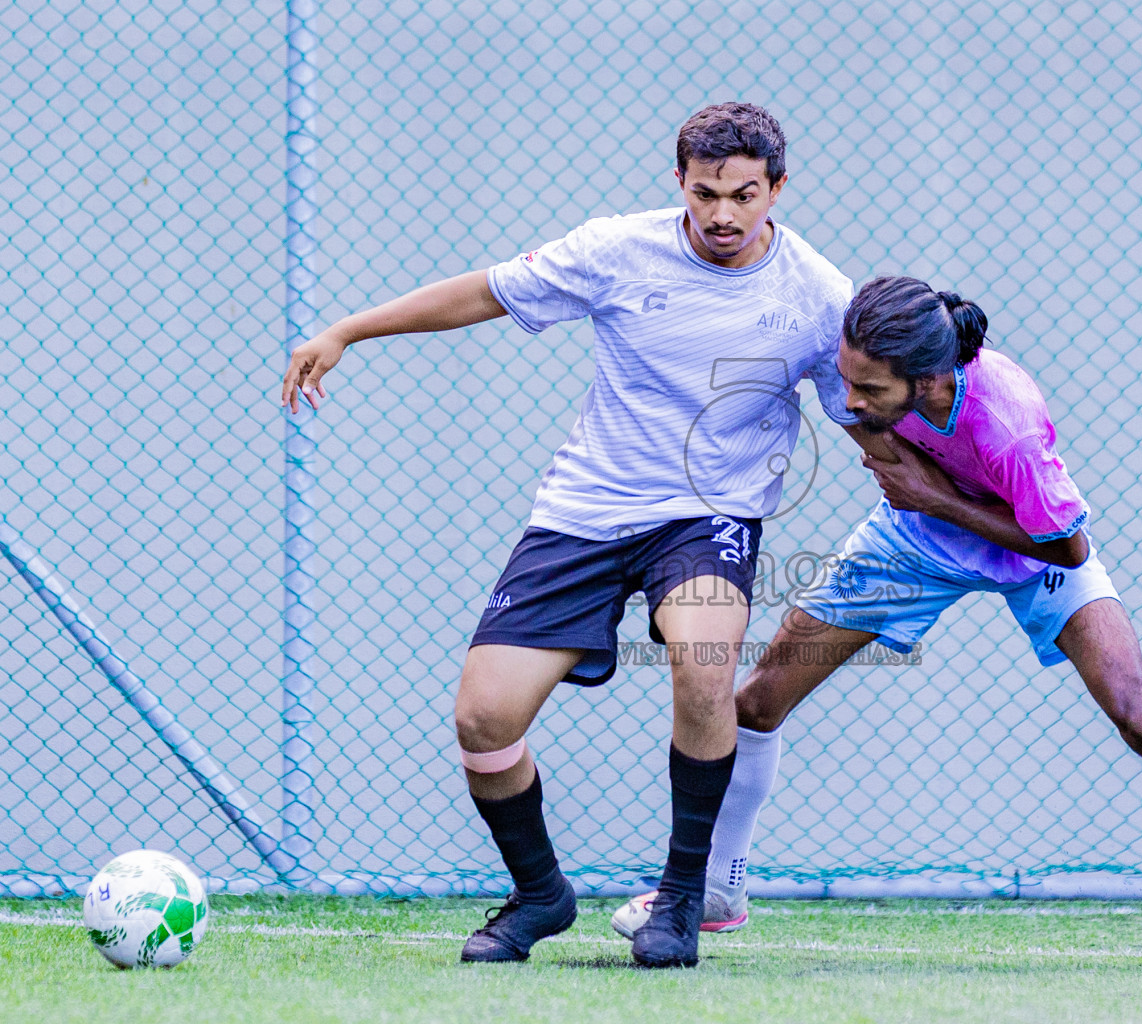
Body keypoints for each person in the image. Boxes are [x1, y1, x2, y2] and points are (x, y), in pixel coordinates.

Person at [279, 103, 866, 968]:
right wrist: (346, 331)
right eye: (705, 194)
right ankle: (541, 894)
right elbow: (484, 292)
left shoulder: (818, 294)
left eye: (743, 195)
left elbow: (871, 417)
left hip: (709, 514)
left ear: (777, 189)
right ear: (679, 182)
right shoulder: (617, 249)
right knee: (483, 719)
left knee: (706, 665)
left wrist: (966, 488)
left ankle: (680, 898)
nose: (722, 215)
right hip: (585, 511)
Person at [611, 276, 1142, 969]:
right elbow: (873, 438)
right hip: (910, 542)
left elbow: (1066, 546)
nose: (850, 400)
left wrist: (938, 498)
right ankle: (717, 889)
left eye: (869, 389)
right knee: (757, 702)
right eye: (847, 380)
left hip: (1032, 552)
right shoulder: (867, 375)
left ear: (926, 380)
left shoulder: (1007, 423)